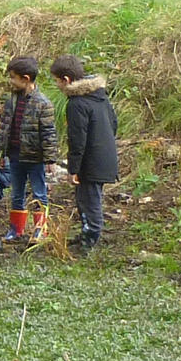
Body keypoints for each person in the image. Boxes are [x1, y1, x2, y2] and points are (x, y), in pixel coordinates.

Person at [53, 54, 118, 255]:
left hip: (91, 163)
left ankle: (90, 239)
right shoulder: (100, 96)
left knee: (90, 202)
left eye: (56, 81)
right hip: (105, 157)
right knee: (85, 199)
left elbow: (77, 140)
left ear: (66, 80)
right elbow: (114, 124)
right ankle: (86, 233)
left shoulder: (76, 104)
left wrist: (73, 169)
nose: (56, 85)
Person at [0, 55, 57, 252]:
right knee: (16, 193)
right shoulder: (11, 100)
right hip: (14, 155)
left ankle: (41, 229)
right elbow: (4, 127)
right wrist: (0, 153)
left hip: (35, 157)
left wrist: (50, 158)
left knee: (39, 192)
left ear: (26, 78)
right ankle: (16, 229)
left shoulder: (43, 103)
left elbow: (48, 132)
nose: (11, 81)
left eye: (13, 77)